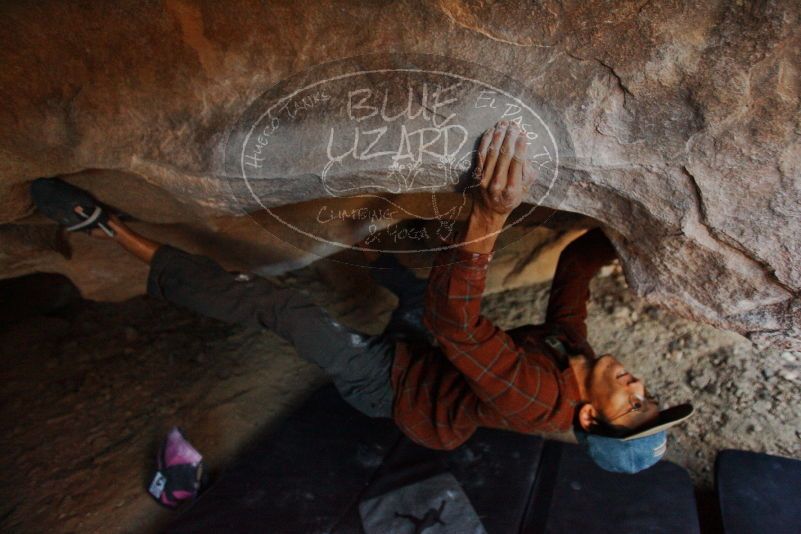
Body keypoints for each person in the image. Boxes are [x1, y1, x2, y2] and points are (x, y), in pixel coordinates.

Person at [30, 120, 692, 474]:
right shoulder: (573, 353)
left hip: (392, 386)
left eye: (631, 406)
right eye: (648, 397)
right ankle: (369, 252)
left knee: (283, 310)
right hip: (434, 357)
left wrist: (488, 218)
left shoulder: (535, 397)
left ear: (586, 419)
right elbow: (574, 274)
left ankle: (107, 229)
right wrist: (645, 236)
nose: (638, 387)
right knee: (414, 277)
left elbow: (456, 326)